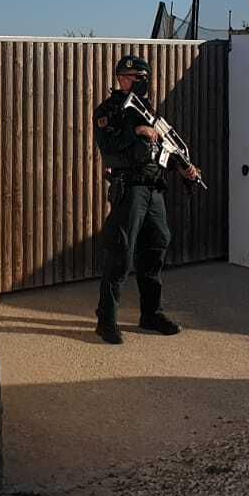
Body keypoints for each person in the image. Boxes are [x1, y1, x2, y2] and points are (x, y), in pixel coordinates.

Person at [91, 55, 202, 344]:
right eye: (130, 77)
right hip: (130, 187)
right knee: (121, 251)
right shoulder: (110, 111)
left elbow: (166, 149)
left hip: (154, 189)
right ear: (120, 79)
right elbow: (109, 145)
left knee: (156, 246)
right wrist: (136, 131)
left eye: (140, 78)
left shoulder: (150, 112)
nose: (135, 83)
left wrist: (185, 168)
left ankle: (151, 314)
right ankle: (106, 320)